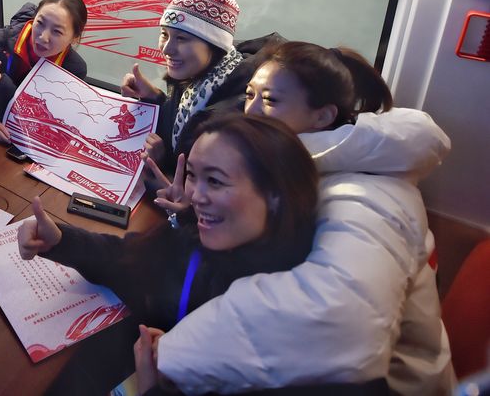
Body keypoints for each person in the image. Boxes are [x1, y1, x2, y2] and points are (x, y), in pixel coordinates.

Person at [148, 42, 455, 394]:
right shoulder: (303, 167)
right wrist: (192, 216)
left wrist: (170, 355)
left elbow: (337, 317)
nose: (251, 111)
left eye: (271, 100)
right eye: (250, 95)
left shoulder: (366, 195)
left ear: (322, 117)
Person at [18, 114, 320, 394]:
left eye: (215, 181)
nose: (195, 196)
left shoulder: (284, 313)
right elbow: (131, 258)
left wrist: (156, 388)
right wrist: (61, 240)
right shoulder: (198, 238)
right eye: (192, 176)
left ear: (276, 194)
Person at [122, 0, 280, 176]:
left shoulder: (237, 112)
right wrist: (154, 98)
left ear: (214, 45)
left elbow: (204, 188)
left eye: (182, 38)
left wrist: (161, 164)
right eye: (164, 34)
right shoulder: (197, 79)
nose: (167, 49)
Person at [0, 0, 88, 146]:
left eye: (57, 31)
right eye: (40, 23)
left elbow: (49, 121)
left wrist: (1, 83)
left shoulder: (73, 69)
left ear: (74, 38)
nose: (43, 37)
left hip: (27, 144)